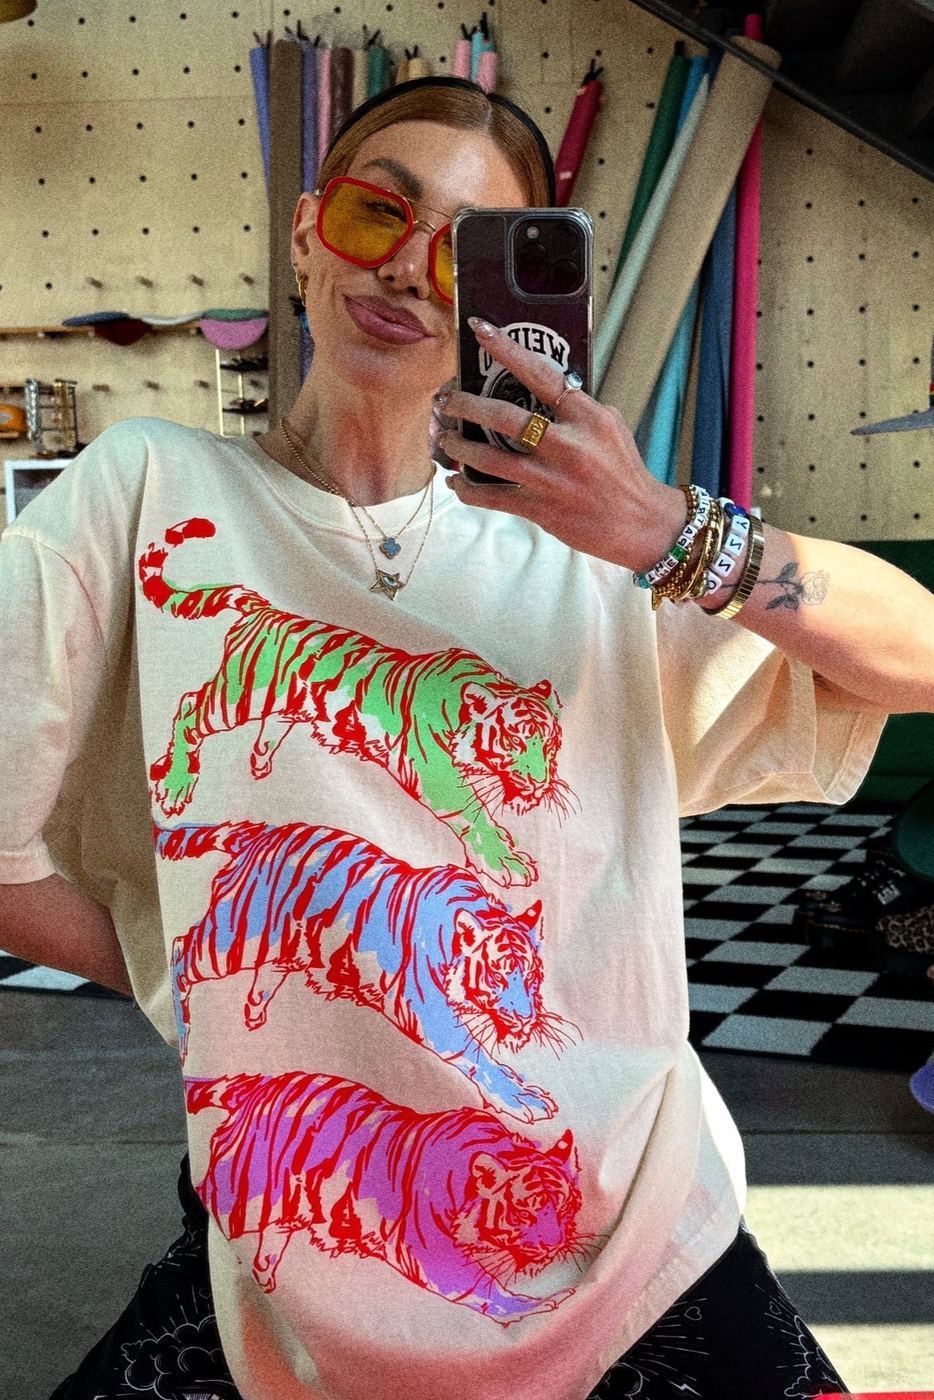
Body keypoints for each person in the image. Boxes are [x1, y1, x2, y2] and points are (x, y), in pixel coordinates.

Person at [1, 75, 933, 1400]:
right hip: (292, 1217)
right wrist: (194, 970)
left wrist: (667, 530)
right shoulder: (152, 489)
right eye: (377, 214)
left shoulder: (587, 550)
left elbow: (919, 658)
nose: (408, 271)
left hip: (628, 1229)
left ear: (507, 292)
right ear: (308, 230)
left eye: (465, 250)